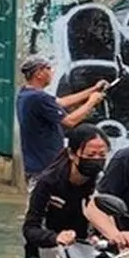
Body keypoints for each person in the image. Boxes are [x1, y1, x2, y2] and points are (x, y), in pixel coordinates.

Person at [20, 125, 109, 258]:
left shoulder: (102, 184)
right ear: (73, 153)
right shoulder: (48, 183)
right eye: (90, 154)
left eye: (102, 155)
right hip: (46, 249)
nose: (96, 160)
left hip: (87, 250)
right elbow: (30, 228)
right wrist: (55, 237)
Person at [18, 55, 107, 192]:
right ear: (39, 73)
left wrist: (93, 90)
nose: (52, 71)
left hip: (36, 165)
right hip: (46, 166)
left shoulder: (26, 94)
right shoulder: (39, 98)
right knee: (45, 207)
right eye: (48, 68)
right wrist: (92, 102)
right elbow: (69, 122)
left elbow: (61, 103)